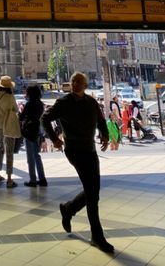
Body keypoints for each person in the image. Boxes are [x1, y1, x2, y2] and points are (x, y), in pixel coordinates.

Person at [42, 71, 114, 254]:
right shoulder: (63, 103)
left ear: (85, 85)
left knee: (93, 191)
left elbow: (100, 120)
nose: (75, 84)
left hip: (90, 150)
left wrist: (105, 135)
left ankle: (68, 209)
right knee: (92, 194)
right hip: (74, 150)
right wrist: (55, 139)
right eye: (73, 81)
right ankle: (97, 236)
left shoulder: (91, 102)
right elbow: (45, 118)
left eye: (79, 81)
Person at [0, 76, 21, 188]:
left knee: (0, 150)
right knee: (9, 152)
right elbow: (16, 110)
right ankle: (9, 179)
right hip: (8, 126)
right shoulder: (10, 97)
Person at [19, 84, 48, 187]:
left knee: (30, 157)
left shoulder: (29, 104)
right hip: (38, 131)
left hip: (29, 132)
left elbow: (21, 117)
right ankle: (42, 178)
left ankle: (32, 180)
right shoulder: (40, 104)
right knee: (37, 156)